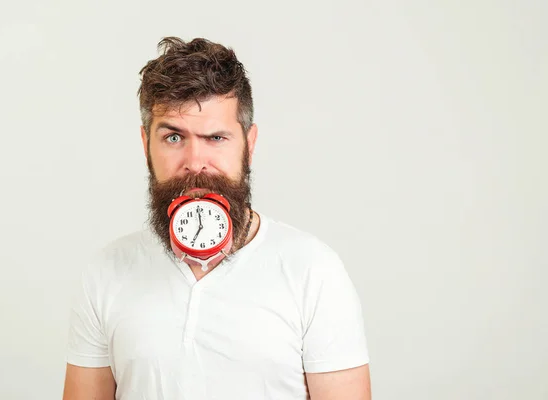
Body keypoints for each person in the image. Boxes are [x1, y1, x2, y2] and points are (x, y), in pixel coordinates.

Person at [62, 37, 371, 400]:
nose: (195, 161)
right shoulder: (107, 272)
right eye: (174, 137)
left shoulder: (313, 270)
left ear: (249, 144)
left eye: (216, 138)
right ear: (146, 143)